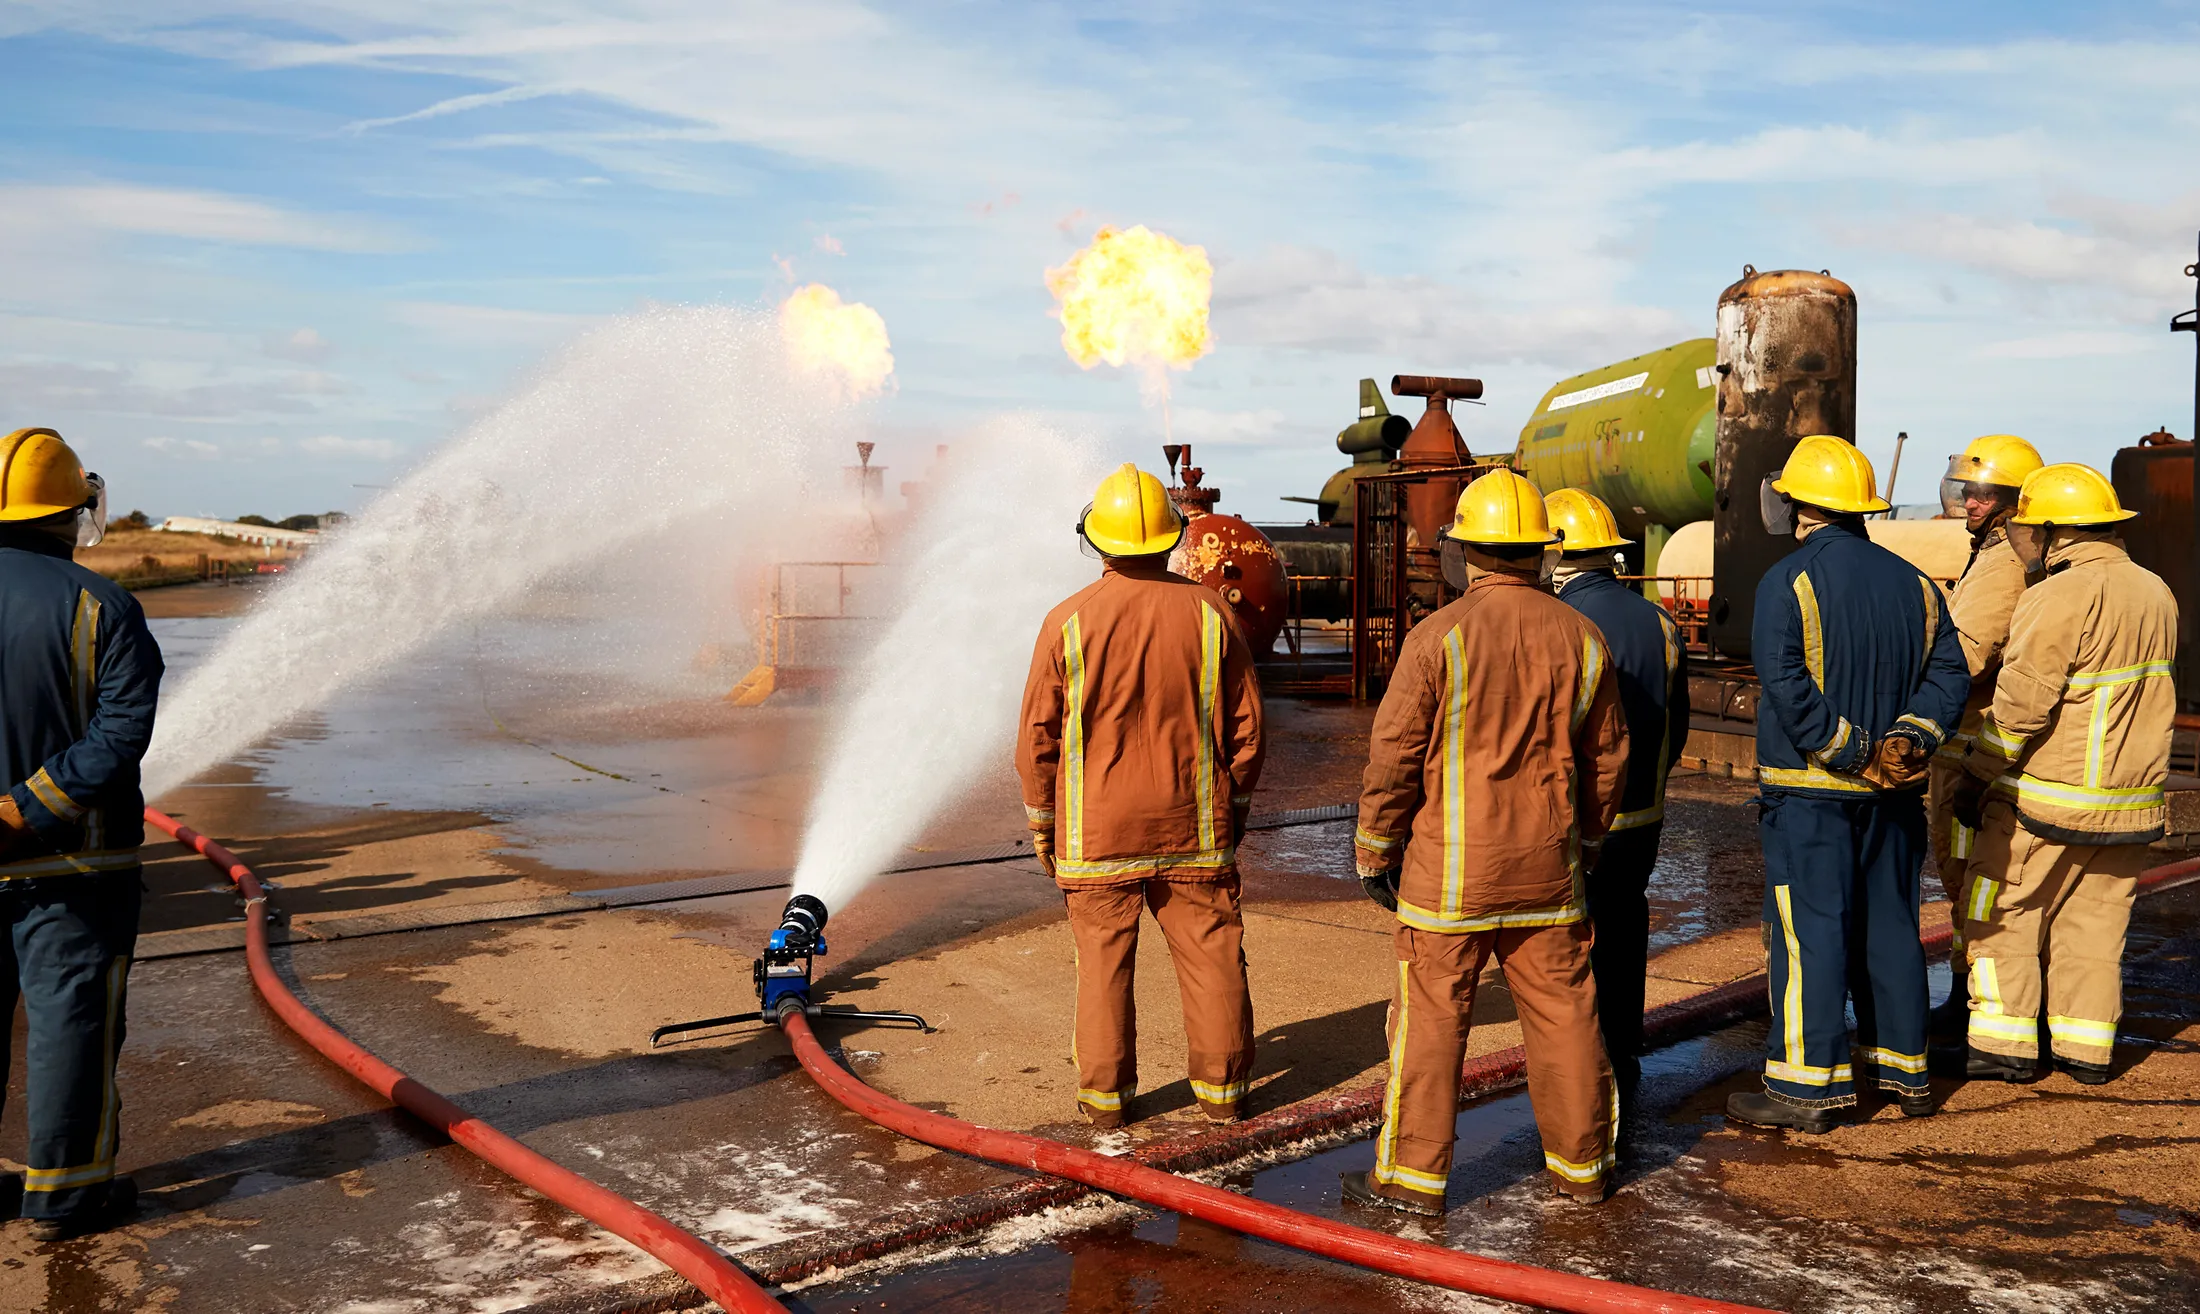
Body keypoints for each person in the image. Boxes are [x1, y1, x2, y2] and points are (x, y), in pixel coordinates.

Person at [1343, 470, 1629, 1214]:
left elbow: (1396, 756)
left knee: (1432, 1026)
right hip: (1549, 875)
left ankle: (1410, 1182)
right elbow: (1608, 760)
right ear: (1540, 552)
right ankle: (1585, 1167)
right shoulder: (1583, 635)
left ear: (1464, 549)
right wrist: (1588, 845)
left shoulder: (1436, 637)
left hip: (1448, 880)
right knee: (1565, 1018)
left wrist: (1376, 850)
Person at [1729, 435, 1968, 1134]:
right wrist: (1909, 740)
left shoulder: (1790, 581)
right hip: (1895, 796)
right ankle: (1905, 1073)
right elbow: (1950, 674)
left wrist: (1852, 751)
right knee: (1892, 927)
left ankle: (1805, 1089)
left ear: (1801, 505)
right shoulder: (1918, 584)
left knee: (1812, 934)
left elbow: (1786, 684)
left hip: (1810, 796)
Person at [1016, 463, 1265, 1128]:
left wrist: (1045, 825)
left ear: (1095, 541)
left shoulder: (1065, 621)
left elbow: (1038, 738)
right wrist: (1230, 813)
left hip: (1096, 834)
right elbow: (1247, 732)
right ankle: (1224, 1097)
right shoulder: (1213, 616)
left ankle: (1106, 1107)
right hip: (1194, 827)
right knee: (1213, 956)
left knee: (1102, 968)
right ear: (1172, 538)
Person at [1949, 464, 2176, 1086]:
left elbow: (2021, 707)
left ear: (2054, 533)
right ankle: (2086, 1051)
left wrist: (1975, 775)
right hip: (2130, 804)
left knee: (2000, 912)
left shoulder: (2056, 594)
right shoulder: (2156, 590)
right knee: (2094, 929)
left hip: (2046, 799)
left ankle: (2004, 1047)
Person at [0, 427, 163, 1240]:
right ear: (71, 513)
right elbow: (123, 727)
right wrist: (30, 805)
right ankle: (66, 1193)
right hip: (74, 862)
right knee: (71, 1024)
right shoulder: (102, 606)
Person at [1545, 488, 1688, 1102]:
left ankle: (1581, 1072)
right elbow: (1676, 722)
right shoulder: (1660, 622)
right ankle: (1623, 1052)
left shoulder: (1561, 624)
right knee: (1626, 930)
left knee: (1567, 943)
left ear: (1557, 556)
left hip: (1578, 819)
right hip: (1643, 816)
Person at [1925, 434, 2043, 1038]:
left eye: (1983, 494)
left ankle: (1972, 1000)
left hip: (1971, 745)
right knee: (1969, 875)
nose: (1969, 503)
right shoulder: (1993, 554)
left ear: (2011, 502)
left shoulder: (2000, 566)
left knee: (1968, 875)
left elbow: (1966, 658)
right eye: (1967, 491)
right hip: (1971, 744)